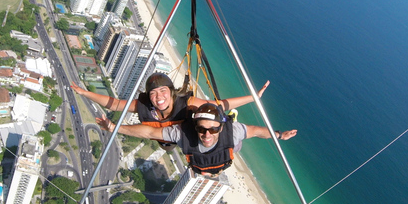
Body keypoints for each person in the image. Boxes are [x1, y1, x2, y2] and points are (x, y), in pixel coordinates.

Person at [73, 72, 269, 147]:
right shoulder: (144, 106)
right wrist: (84, 93)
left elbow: (218, 104)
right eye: (153, 93)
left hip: (185, 133)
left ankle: (228, 121)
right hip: (166, 137)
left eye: (163, 91)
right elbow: (115, 104)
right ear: (148, 95)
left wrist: (254, 98)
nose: (159, 97)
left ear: (171, 92)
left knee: (217, 124)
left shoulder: (187, 103)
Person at [97, 102, 297, 175]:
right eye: (202, 129)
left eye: (213, 129)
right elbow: (149, 132)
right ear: (195, 127)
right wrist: (114, 128)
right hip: (203, 164)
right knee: (208, 165)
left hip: (229, 149)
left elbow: (255, 131)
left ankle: (229, 116)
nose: (207, 134)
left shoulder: (231, 131)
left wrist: (279, 135)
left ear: (221, 126)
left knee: (237, 142)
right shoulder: (182, 133)